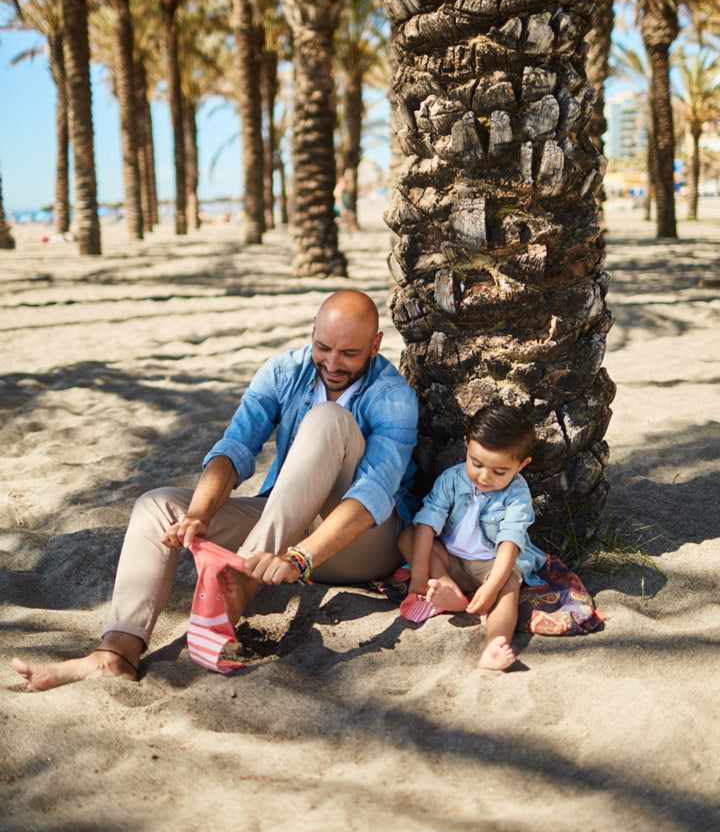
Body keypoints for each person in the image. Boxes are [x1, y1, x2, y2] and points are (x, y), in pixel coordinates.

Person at [12, 290, 418, 691]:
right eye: (323, 347)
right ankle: (117, 654)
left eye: (349, 353)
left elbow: (372, 499)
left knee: (328, 418)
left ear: (376, 345)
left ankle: (243, 575)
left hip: (359, 544)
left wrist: (299, 556)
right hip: (283, 524)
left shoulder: (393, 396)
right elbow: (235, 448)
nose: (332, 363)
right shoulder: (282, 371)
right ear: (312, 332)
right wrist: (200, 514)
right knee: (158, 506)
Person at [398, 403, 547, 671]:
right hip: (449, 559)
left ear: (521, 464)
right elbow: (427, 525)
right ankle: (447, 588)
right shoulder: (451, 480)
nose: (484, 476)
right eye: (476, 463)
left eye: (499, 471)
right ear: (467, 446)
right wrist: (420, 578)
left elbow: (510, 543)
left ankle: (495, 642)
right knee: (408, 536)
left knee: (508, 587)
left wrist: (491, 586)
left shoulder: (516, 494)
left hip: (491, 564)